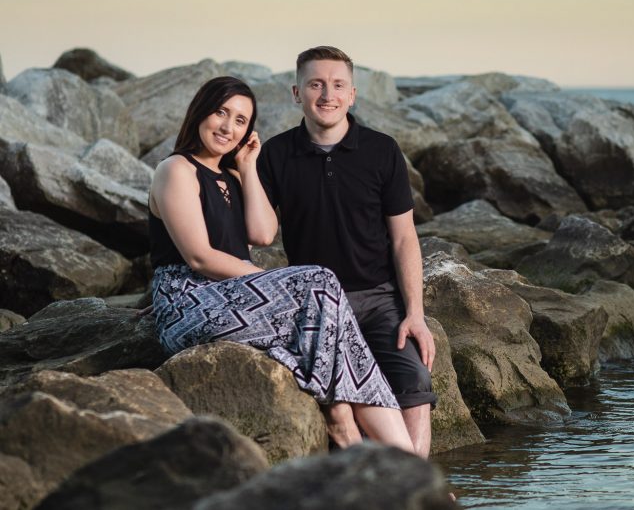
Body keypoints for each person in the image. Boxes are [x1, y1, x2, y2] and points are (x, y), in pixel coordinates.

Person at [147, 75, 413, 452]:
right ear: (200, 112)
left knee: (333, 326)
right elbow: (199, 257)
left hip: (233, 296)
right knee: (319, 283)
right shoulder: (176, 170)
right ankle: (345, 422)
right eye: (221, 112)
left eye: (240, 121)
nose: (227, 127)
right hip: (189, 300)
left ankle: (398, 460)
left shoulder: (234, 175)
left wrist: (250, 165)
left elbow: (262, 233)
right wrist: (272, 278)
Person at [257, 46, 436, 457]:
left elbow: (405, 238)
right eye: (315, 84)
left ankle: (412, 490)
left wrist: (415, 313)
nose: (327, 95)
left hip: (378, 299)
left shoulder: (382, 150)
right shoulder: (275, 154)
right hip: (315, 306)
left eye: (338, 85)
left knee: (415, 382)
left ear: (352, 94)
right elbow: (249, 233)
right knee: (344, 391)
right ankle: (409, 487)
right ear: (295, 92)